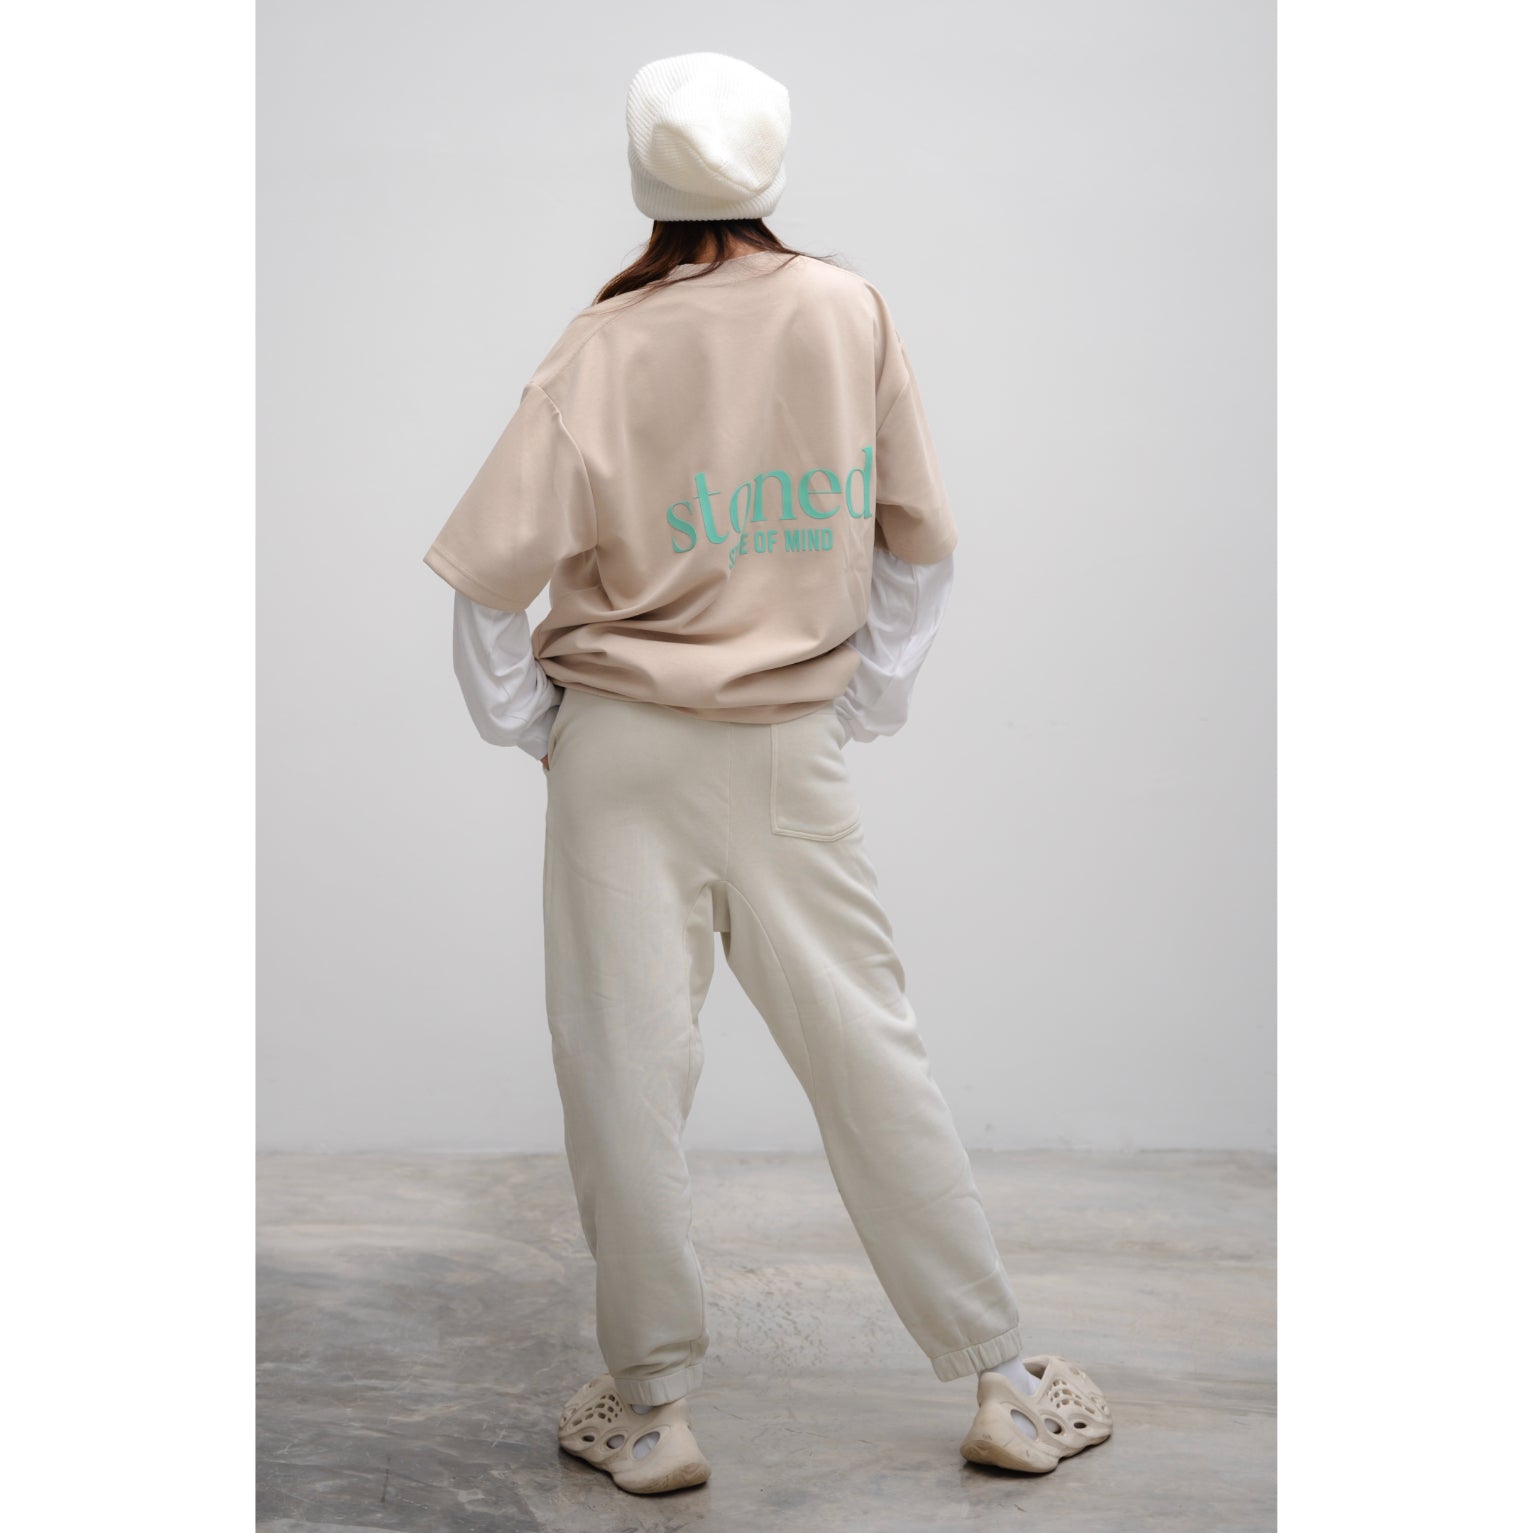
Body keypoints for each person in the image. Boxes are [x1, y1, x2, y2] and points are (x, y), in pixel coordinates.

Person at [424, 50, 1112, 1496]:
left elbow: (487, 584)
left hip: (620, 756)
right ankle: (1000, 1382)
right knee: (872, 1057)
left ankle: (652, 1410)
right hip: (791, 744)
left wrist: (541, 727)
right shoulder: (848, 311)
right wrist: (858, 698)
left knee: (622, 1077)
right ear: (773, 166)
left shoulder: (599, 346)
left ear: (643, 176)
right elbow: (919, 542)